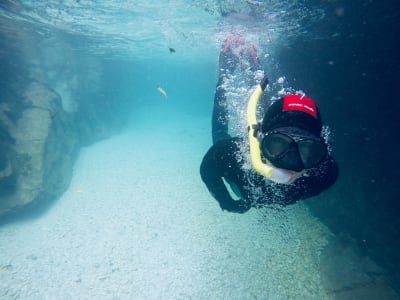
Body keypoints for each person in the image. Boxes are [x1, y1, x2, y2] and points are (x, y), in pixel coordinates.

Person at [200, 36, 338, 213]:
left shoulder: (324, 172)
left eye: (305, 149)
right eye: (278, 144)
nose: (289, 163)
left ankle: (252, 67)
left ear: (319, 150)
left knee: (275, 122)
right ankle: (225, 73)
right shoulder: (231, 154)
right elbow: (207, 170)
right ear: (260, 139)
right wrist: (226, 201)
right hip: (239, 178)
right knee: (220, 132)